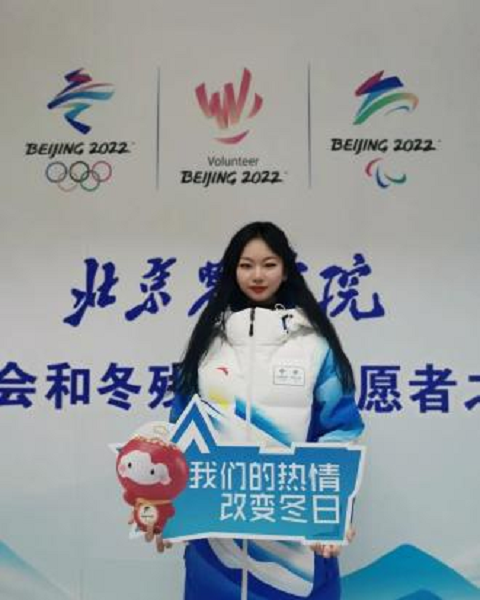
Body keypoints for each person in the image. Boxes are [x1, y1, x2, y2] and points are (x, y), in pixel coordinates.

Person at [148, 222, 364, 600]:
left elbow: (341, 431)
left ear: (286, 269)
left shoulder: (314, 346)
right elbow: (180, 433)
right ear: (233, 270)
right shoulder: (207, 345)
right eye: (246, 265)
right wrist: (163, 505)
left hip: (296, 545)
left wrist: (333, 512)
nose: (258, 275)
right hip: (216, 546)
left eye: (269, 264)